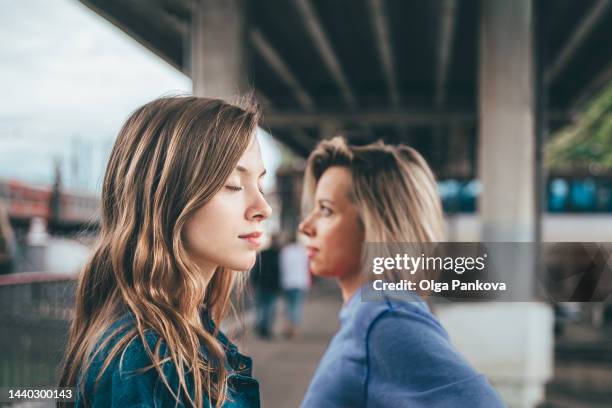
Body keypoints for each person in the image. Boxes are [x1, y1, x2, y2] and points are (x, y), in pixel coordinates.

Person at [58, 96, 272, 408]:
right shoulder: (144, 363)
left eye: (261, 185)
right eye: (233, 185)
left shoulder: (177, 334)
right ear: (165, 196)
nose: (262, 208)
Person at [298, 137, 505, 407]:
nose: (305, 225)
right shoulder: (373, 313)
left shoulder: (385, 317)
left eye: (325, 210)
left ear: (375, 222)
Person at [279, 234, 310, 338]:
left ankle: (288, 327)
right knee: (297, 306)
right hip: (300, 282)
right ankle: (295, 329)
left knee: (288, 306)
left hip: (287, 282)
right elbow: (307, 267)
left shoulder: (285, 251)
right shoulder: (302, 252)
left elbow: (281, 267)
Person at [250, 234, 281, 339]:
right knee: (269, 308)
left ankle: (260, 326)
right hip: (272, 285)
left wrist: (253, 282)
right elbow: (280, 271)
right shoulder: (279, 254)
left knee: (261, 307)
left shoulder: (263, 253)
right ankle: (265, 329)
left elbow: (256, 269)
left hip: (261, 284)